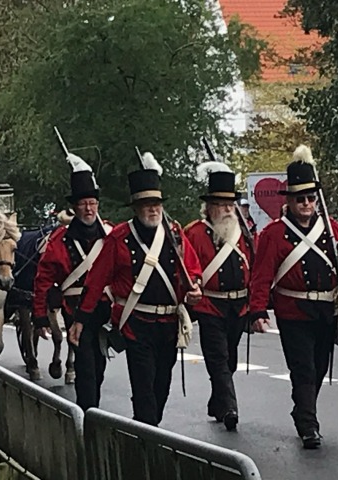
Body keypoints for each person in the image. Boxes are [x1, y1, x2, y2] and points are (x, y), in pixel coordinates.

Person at [74, 152, 202, 426]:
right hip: (136, 323)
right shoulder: (119, 237)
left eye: (156, 203)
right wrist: (81, 319)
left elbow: (192, 270)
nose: (153, 209)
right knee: (143, 389)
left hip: (168, 323)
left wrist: (195, 288)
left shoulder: (175, 234)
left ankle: (148, 429)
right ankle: (147, 437)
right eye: (146, 204)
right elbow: (95, 281)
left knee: (161, 387)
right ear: (135, 207)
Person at [248, 145, 338, 449]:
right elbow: (261, 276)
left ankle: (303, 409)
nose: (307, 203)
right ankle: (309, 425)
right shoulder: (273, 235)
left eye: (311, 198)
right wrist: (258, 310)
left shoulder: (332, 228)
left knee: (319, 368)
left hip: (326, 310)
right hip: (293, 311)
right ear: (291, 201)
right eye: (300, 199)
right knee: (304, 369)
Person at [32, 153, 111, 411]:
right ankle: (89, 413)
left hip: (107, 309)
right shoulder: (59, 240)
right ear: (74, 208)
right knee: (85, 363)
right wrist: (40, 316)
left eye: (93, 203)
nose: (89, 209)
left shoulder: (111, 234)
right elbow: (43, 280)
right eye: (83, 204)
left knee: (99, 364)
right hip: (75, 309)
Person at [184, 166, 254, 431]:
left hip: (238, 305)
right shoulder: (195, 233)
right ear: (209, 206)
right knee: (218, 358)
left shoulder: (244, 233)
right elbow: (189, 266)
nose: (226, 209)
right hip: (210, 304)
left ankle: (217, 401)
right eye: (220, 204)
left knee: (230, 359)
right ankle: (229, 409)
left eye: (230, 204)